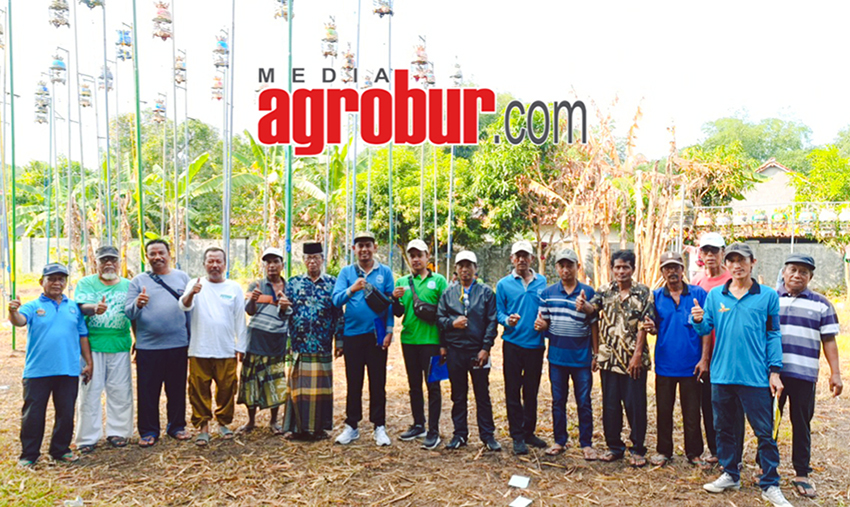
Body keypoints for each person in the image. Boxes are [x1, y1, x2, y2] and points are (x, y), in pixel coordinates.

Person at [692, 242, 793, 507]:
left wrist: (774, 371)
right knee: (724, 428)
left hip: (755, 377)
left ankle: (770, 483)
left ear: (753, 263)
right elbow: (706, 331)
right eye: (732, 261)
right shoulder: (715, 296)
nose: (737, 265)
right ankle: (730, 473)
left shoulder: (767, 296)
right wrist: (698, 320)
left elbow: (773, 334)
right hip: (722, 375)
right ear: (726, 265)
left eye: (742, 260)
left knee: (764, 432)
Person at [773, 253, 842, 498]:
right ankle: (767, 468)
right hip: (774, 375)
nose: (797, 275)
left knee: (801, 424)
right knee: (771, 422)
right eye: (792, 269)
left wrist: (836, 373)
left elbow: (829, 341)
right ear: (784, 272)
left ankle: (801, 472)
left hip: (804, 375)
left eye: (803, 271)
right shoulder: (770, 300)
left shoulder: (821, 304)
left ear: (810, 277)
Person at [9, 263, 92, 467]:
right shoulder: (32, 306)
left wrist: (89, 362)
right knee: (33, 414)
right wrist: (12, 311)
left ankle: (60, 450)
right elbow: (19, 321)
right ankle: (29, 454)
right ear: (42, 282)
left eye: (61, 279)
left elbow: (82, 336)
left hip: (68, 369)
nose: (57, 283)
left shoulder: (73, 307)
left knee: (66, 412)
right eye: (52, 279)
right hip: (38, 371)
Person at [577, 249, 653, 467]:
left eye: (625, 267)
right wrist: (584, 305)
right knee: (611, 405)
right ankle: (614, 447)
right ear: (612, 269)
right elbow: (594, 309)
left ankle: (638, 449)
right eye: (617, 267)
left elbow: (644, 324)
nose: (621, 271)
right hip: (609, 358)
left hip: (633, 360)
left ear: (633, 269)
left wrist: (637, 354)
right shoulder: (604, 290)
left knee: (635, 405)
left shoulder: (643, 292)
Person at [643, 252, 710, 467]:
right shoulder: (656, 296)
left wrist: (704, 359)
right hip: (665, 364)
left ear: (683, 270)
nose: (672, 272)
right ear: (662, 271)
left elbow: (708, 328)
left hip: (691, 365)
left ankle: (694, 453)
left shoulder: (698, 293)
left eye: (676, 267)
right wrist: (651, 328)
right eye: (667, 268)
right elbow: (652, 326)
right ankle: (664, 451)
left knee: (692, 412)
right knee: (664, 410)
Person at [125, 239, 192, 447]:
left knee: (176, 389)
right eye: (152, 254)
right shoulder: (138, 281)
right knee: (147, 391)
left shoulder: (182, 278)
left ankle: (177, 427)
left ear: (169, 254)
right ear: (147, 257)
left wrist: (189, 338)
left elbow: (190, 311)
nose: (157, 257)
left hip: (178, 345)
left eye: (161, 252)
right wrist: (138, 304)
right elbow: (128, 312)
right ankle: (148, 431)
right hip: (149, 347)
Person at [179, 247, 248, 446]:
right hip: (199, 348)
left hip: (225, 349)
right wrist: (192, 293)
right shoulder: (195, 283)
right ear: (204, 264)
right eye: (210, 261)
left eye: (219, 261)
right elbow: (183, 306)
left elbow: (239, 320)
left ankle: (224, 423)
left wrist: (240, 347)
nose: (215, 265)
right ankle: (203, 427)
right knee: (199, 389)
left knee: (227, 388)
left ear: (225, 264)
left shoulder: (233, 287)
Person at [332, 231, 395, 446]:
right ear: (354, 250)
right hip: (352, 335)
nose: (364, 249)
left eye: (368, 245)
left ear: (375, 248)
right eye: (360, 246)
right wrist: (352, 289)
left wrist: (389, 331)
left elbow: (389, 303)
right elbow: (335, 299)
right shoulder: (347, 272)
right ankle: (352, 425)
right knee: (354, 382)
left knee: (378, 382)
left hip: (376, 336)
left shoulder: (384, 272)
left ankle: (379, 426)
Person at [536, 248, 599, 460]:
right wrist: (541, 324)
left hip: (581, 358)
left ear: (577, 267)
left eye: (570, 265)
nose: (565, 270)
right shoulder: (547, 293)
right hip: (557, 357)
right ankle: (559, 440)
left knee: (583, 401)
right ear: (556, 268)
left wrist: (596, 354)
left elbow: (594, 325)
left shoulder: (589, 293)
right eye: (561, 265)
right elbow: (544, 322)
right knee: (558, 401)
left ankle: (586, 443)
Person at [437, 251, 501, 452]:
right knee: (458, 394)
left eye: (469, 265)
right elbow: (439, 319)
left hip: (477, 351)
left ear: (476, 268)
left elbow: (492, 321)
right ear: (456, 269)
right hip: (456, 351)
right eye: (461, 266)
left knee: (482, 394)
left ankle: (487, 436)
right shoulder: (448, 293)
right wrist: (451, 323)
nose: (465, 269)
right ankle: (460, 434)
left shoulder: (486, 293)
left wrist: (485, 348)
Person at [74, 246, 134, 453]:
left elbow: (134, 312)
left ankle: (118, 432)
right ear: (96, 263)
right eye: (104, 260)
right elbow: (80, 306)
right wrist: (93, 308)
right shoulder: (86, 283)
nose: (109, 263)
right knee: (90, 391)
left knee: (120, 390)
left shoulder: (128, 285)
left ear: (119, 262)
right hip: (92, 346)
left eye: (113, 260)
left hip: (119, 344)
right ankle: (87, 438)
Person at [283, 242, 344, 440]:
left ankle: (318, 429)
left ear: (322, 259)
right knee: (298, 389)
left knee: (320, 390)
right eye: (308, 258)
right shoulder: (293, 283)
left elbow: (338, 314)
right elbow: (285, 312)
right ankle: (296, 428)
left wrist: (339, 341)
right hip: (299, 345)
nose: (312, 262)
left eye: (316, 257)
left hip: (322, 344)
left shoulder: (332, 283)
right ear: (304, 260)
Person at [392, 239, 448, 450]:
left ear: (427, 257)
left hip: (432, 342)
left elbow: (445, 312)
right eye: (412, 256)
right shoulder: (403, 282)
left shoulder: (439, 281)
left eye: (419, 255)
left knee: (433, 386)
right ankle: (418, 424)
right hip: (409, 340)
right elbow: (398, 313)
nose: (416, 259)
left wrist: (444, 344)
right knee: (414, 385)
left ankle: (433, 430)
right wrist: (394, 298)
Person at [495, 240, 548, 455]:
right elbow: (498, 312)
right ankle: (517, 435)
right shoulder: (503, 284)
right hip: (513, 344)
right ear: (511, 259)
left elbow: (548, 309)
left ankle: (529, 431)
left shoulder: (542, 282)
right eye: (517, 256)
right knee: (513, 391)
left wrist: (545, 323)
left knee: (531, 391)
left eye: (525, 255)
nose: (521, 260)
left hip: (535, 345)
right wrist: (508, 320)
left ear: (532, 259)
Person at [237, 247, 291, 435]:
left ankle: (274, 421)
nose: (271, 266)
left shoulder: (289, 287)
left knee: (275, 382)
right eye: (268, 262)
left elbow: (290, 315)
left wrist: (284, 307)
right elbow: (250, 311)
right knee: (251, 383)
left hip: (277, 342)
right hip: (256, 342)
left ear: (282, 265)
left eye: (275, 261)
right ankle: (251, 421)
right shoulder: (257, 285)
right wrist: (253, 300)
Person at [690, 232, 732, 465]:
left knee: (727, 405)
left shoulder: (731, 280)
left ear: (722, 253)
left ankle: (730, 452)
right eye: (705, 251)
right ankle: (715, 450)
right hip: (702, 352)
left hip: (725, 351)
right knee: (707, 403)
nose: (710, 255)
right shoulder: (697, 281)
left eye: (714, 251)